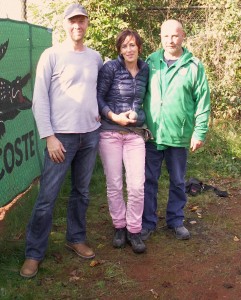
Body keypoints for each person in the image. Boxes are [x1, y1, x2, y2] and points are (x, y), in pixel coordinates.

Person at [20, 3, 103, 278]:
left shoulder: (95, 58)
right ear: (65, 24)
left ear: (87, 24)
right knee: (47, 198)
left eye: (82, 21)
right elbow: (39, 98)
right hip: (61, 139)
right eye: (72, 21)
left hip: (90, 136)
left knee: (82, 192)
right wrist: (49, 136)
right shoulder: (51, 55)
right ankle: (33, 253)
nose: (77, 25)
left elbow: (99, 93)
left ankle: (75, 237)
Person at [141, 19, 210, 241]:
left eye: (175, 35)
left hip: (179, 135)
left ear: (183, 36)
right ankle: (148, 222)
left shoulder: (194, 66)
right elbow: (138, 93)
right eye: (166, 36)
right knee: (148, 180)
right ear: (160, 37)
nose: (170, 40)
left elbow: (202, 102)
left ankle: (175, 220)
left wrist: (199, 132)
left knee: (178, 181)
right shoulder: (151, 62)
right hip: (152, 134)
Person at [97, 29, 149, 253]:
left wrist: (138, 116)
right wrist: (113, 116)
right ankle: (119, 226)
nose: (129, 49)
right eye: (124, 46)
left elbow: (142, 103)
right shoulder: (110, 68)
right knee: (115, 184)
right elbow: (98, 97)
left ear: (139, 47)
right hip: (109, 133)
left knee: (137, 185)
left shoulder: (146, 69)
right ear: (119, 49)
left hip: (135, 135)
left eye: (132, 45)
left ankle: (134, 230)